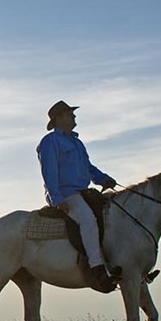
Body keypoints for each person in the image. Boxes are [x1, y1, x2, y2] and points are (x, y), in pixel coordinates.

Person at [37, 101, 120, 292]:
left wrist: (104, 179)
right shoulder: (50, 142)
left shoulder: (77, 142)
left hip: (82, 191)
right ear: (58, 119)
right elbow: (48, 172)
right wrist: (58, 199)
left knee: (114, 213)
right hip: (66, 194)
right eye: (69, 114)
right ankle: (97, 268)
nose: (74, 117)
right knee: (88, 220)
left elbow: (89, 168)